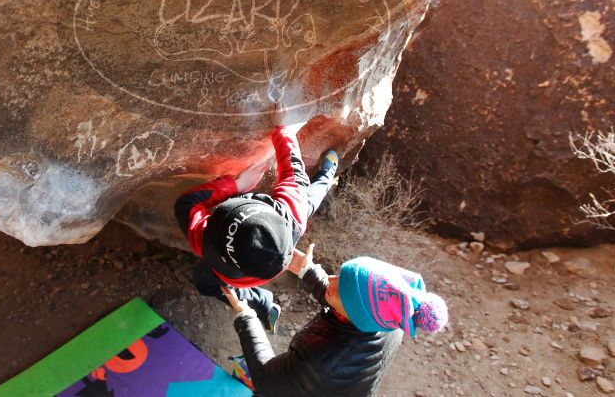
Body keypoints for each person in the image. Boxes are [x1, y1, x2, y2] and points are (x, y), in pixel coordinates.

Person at [174, 124, 339, 331]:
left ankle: (262, 303)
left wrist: (234, 186)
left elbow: (186, 204)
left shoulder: (204, 242)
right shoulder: (292, 214)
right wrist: (282, 128)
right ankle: (327, 174)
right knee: (310, 198)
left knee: (205, 280)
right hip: (272, 262)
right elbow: (293, 171)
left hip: (239, 274)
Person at [223, 246, 448, 396]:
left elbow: (263, 376)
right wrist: (307, 270)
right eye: (340, 276)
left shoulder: (321, 364)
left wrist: (247, 317)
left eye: (339, 288)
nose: (330, 279)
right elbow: (348, 300)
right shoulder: (389, 318)